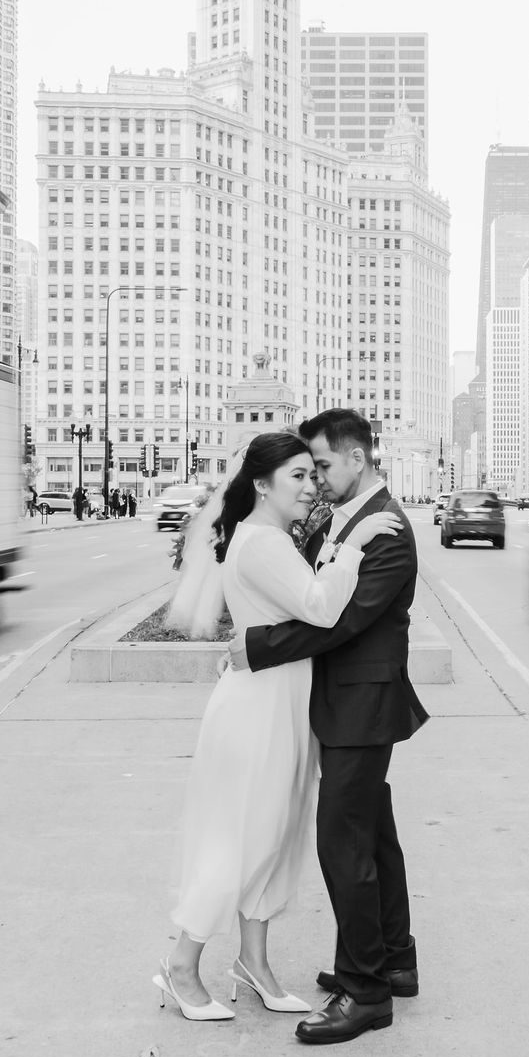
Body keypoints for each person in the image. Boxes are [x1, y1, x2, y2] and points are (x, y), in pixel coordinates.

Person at [157, 431, 404, 1023]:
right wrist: (356, 544)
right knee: (238, 841)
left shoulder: (269, 537)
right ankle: (182, 967)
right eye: (296, 475)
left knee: (268, 839)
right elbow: (321, 607)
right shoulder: (263, 542)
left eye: (310, 473)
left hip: (281, 704)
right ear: (261, 485)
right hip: (257, 712)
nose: (310, 485)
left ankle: (254, 964)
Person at [229, 409, 425, 1045]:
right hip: (346, 704)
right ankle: (393, 959)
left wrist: (256, 647)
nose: (316, 477)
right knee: (374, 837)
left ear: (357, 459)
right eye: (306, 469)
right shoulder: (351, 520)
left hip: (360, 708)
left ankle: (364, 990)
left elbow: (337, 623)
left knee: (343, 843)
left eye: (323, 465)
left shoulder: (386, 530)